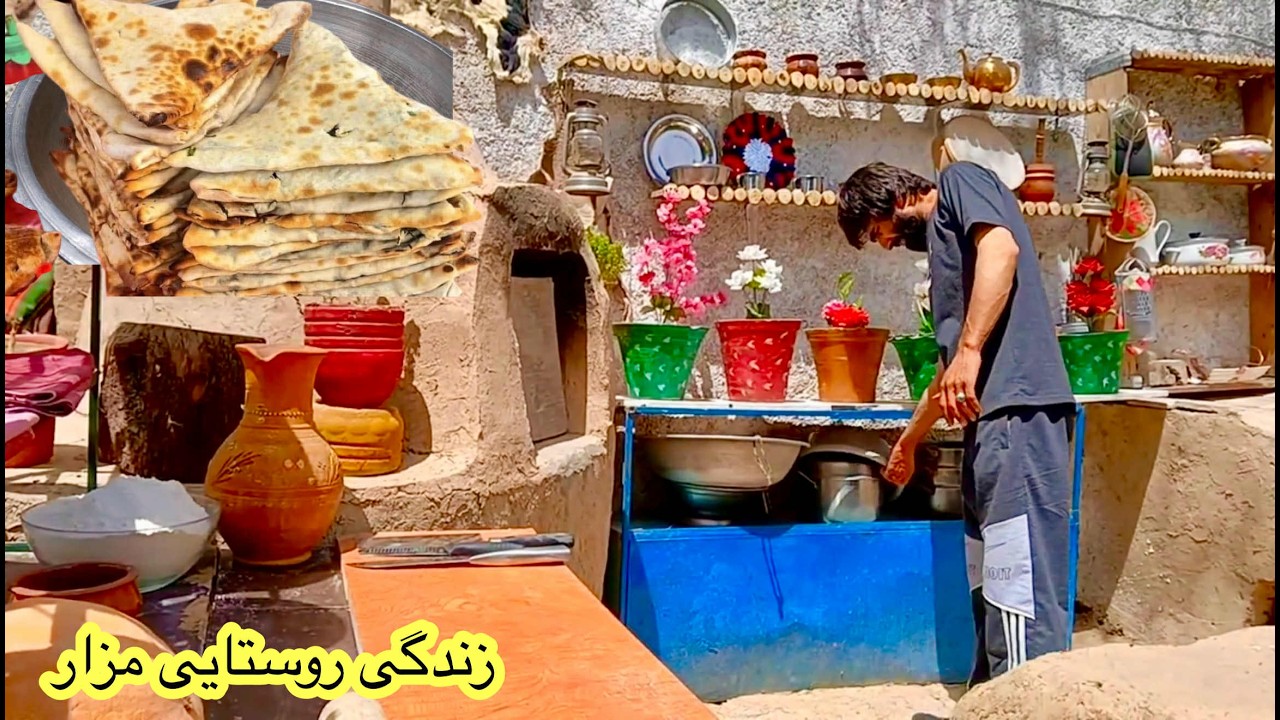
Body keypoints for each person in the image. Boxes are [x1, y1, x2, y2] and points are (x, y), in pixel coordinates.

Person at [836, 158, 1077, 686]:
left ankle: (1027, 698)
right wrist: (909, 440)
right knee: (990, 573)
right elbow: (949, 374)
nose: (885, 245)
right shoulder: (954, 258)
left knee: (1020, 575)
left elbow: (1003, 248)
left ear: (893, 200)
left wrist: (970, 349)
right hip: (992, 423)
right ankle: (993, 696)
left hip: (1018, 412)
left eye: (877, 232)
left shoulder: (960, 183)